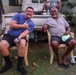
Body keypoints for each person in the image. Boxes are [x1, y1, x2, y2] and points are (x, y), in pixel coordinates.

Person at [0, 6, 35, 75]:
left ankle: (19, 66)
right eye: (28, 11)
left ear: (33, 14)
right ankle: (8, 64)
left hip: (20, 37)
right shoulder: (18, 15)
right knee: (1, 45)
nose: (29, 13)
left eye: (31, 12)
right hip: (10, 35)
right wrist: (23, 26)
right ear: (25, 11)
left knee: (22, 43)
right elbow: (12, 25)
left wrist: (19, 38)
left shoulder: (32, 24)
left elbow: (25, 32)